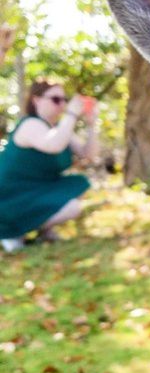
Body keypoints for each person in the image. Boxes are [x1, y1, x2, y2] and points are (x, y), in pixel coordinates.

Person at [0, 80, 99, 252]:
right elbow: (54, 145)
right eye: (55, 99)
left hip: (36, 191)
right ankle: (13, 232)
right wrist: (71, 115)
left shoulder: (59, 128)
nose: (61, 104)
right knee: (72, 207)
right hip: (10, 197)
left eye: (64, 99)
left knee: (78, 183)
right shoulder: (30, 124)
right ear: (36, 100)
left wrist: (91, 125)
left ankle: (40, 230)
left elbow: (88, 155)